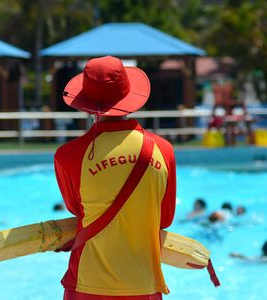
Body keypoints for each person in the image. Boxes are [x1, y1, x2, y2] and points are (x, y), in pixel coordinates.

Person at [54, 56, 176, 299]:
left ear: (86, 103)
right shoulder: (163, 151)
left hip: (87, 283)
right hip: (144, 282)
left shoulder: (67, 156)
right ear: (129, 97)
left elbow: (76, 209)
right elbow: (164, 219)